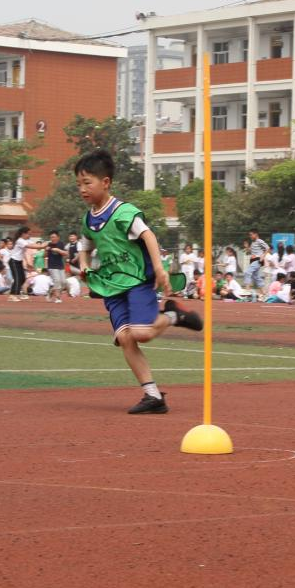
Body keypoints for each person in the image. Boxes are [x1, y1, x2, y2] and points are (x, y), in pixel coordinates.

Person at [74, 149, 202, 414]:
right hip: (110, 286)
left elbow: (149, 236)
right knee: (125, 339)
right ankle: (153, 396)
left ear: (105, 182)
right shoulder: (88, 219)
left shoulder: (124, 213)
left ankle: (172, 316)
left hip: (136, 280)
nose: (82, 189)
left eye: (87, 183)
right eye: (79, 184)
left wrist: (159, 269)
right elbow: (84, 246)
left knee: (141, 334)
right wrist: (85, 265)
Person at [8, 226, 38, 302]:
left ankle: (15, 294)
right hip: (14, 261)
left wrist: (44, 245)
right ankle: (13, 295)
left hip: (19, 261)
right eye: (28, 234)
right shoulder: (20, 241)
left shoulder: (25, 240)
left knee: (22, 278)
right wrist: (43, 246)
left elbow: (34, 244)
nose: (29, 235)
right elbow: (31, 246)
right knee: (17, 278)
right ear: (23, 234)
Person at [244, 229, 270, 296]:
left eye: (251, 234)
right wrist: (247, 248)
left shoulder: (259, 241)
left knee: (248, 272)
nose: (250, 236)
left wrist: (263, 256)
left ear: (256, 234)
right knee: (256, 277)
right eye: (250, 235)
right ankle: (264, 293)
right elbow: (251, 251)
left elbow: (267, 248)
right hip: (253, 260)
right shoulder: (253, 243)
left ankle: (247, 290)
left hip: (257, 260)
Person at [45, 231, 67, 303]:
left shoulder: (61, 244)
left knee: (63, 282)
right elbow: (45, 256)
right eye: (51, 237)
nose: (52, 238)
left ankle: (50, 292)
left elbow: (65, 254)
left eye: (54, 237)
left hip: (60, 266)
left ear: (58, 237)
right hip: (52, 266)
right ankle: (58, 298)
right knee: (57, 281)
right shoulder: (48, 244)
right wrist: (46, 250)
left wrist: (58, 250)